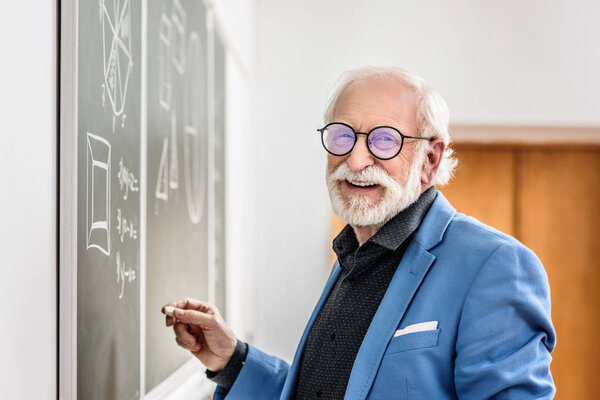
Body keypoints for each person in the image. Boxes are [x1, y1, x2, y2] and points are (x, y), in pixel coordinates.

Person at [163, 67, 556, 399]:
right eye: (342, 136)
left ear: (430, 160)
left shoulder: (496, 266)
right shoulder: (352, 254)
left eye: (385, 140)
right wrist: (232, 360)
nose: (355, 159)